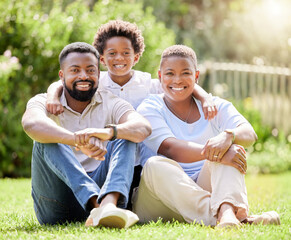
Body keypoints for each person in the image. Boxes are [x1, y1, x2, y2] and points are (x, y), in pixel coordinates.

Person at [45, 20, 218, 209]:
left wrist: (205, 98)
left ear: (136, 57)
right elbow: (61, 83)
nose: (119, 58)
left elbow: (180, 84)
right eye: (112, 54)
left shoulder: (147, 83)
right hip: (108, 160)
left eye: (126, 53)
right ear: (102, 59)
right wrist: (53, 97)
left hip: (139, 164)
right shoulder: (96, 81)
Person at [132, 45, 280, 227]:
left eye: (185, 73)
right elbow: (170, 148)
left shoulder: (215, 105)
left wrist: (229, 135)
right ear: (160, 76)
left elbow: (249, 133)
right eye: (170, 73)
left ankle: (227, 215)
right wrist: (219, 151)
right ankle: (237, 218)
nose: (177, 80)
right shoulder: (149, 107)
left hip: (203, 187)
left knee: (230, 146)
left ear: (196, 76)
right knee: (154, 165)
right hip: (158, 199)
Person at [21, 42, 152, 228]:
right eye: (75, 70)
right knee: (45, 138)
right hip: (57, 205)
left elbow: (143, 127)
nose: (83, 76)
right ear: (62, 75)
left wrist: (107, 133)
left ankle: (107, 207)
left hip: (102, 188)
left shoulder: (111, 102)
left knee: (127, 134)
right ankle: (95, 205)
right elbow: (31, 124)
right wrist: (77, 140)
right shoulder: (44, 101)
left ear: (99, 74)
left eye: (90, 70)